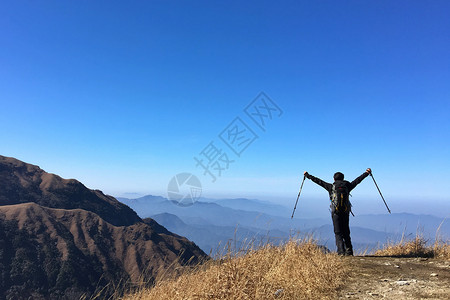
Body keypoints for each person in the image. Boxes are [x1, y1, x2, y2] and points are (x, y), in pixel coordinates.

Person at [303, 168, 372, 256]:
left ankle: (341, 252)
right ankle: (349, 252)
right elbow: (358, 180)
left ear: (334, 179)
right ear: (343, 179)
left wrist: (308, 175)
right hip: (345, 212)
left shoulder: (331, 187)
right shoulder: (348, 186)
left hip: (336, 213)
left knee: (338, 232)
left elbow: (318, 181)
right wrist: (366, 173)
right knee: (346, 231)